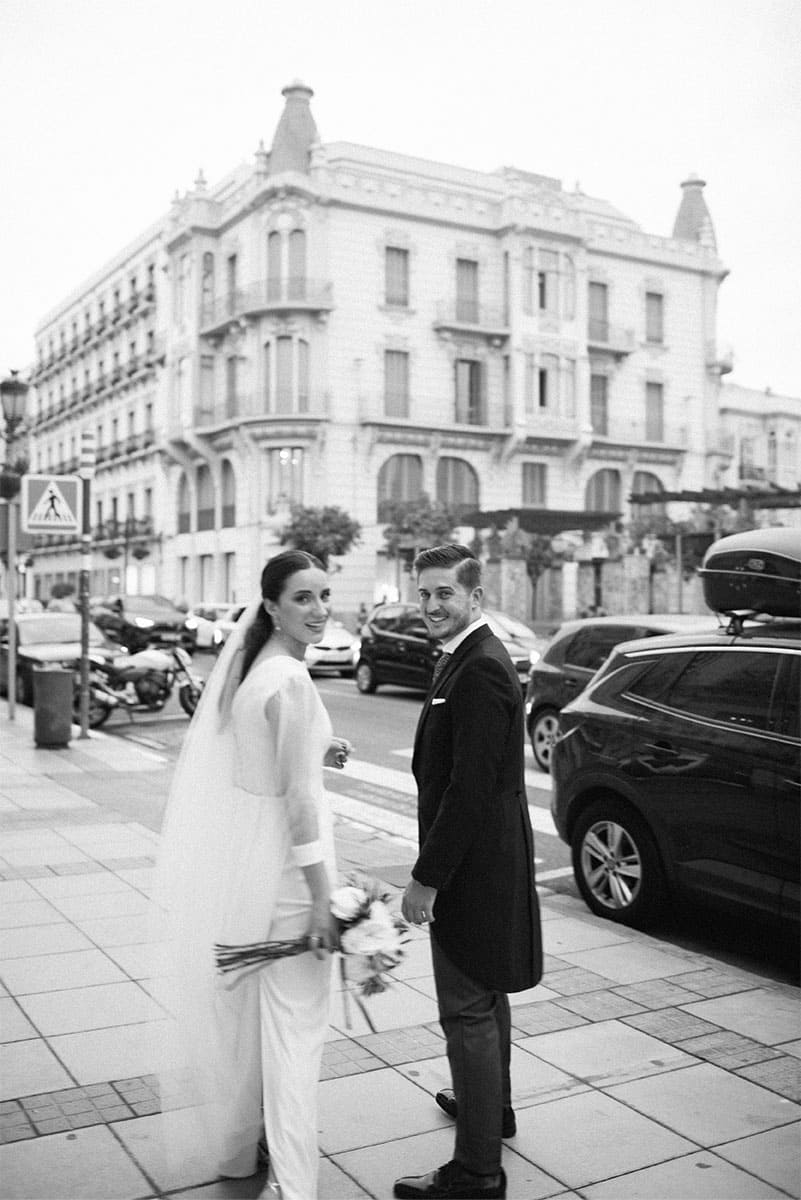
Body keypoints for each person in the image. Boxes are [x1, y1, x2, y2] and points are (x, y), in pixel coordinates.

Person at [153, 550, 352, 1200]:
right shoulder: (290, 681)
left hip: (249, 868)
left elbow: (260, 765)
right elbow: (297, 803)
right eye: (303, 598)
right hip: (292, 878)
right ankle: (294, 1187)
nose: (319, 610)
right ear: (271, 605)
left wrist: (318, 748)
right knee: (295, 1036)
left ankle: (239, 1154)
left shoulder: (255, 671)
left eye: (324, 595)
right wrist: (323, 899)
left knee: (249, 1028)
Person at [394, 544, 542, 1200]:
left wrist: (426, 878)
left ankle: (477, 1171)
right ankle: (492, 1108)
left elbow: (469, 789)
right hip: (484, 860)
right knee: (485, 994)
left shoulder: (479, 666)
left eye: (444, 593)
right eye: (423, 593)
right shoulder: (466, 654)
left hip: (472, 868)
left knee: (467, 1010)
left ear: (475, 597)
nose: (431, 605)